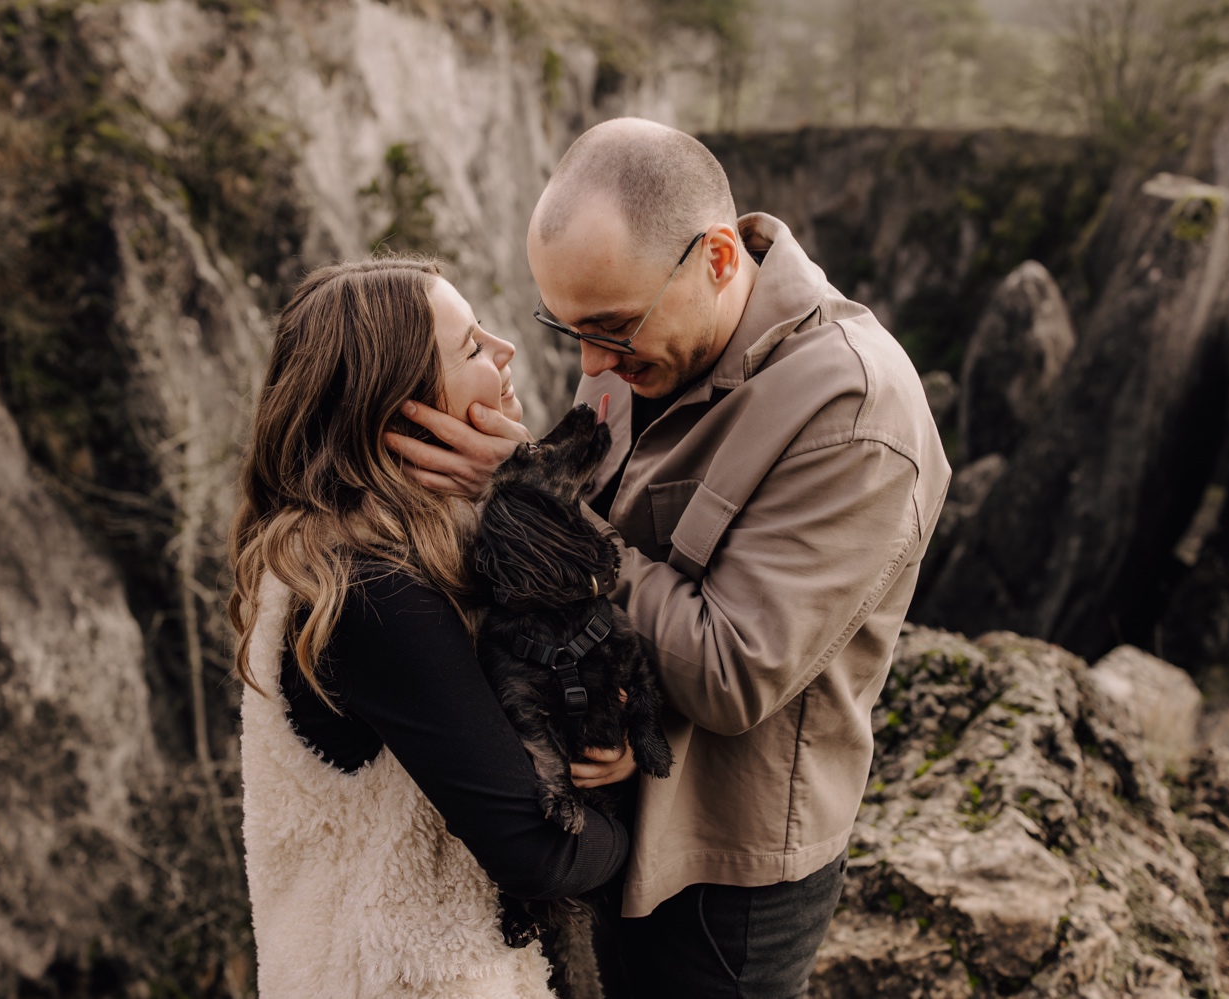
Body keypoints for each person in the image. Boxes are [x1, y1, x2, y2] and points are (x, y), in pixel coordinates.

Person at [391, 118, 952, 998]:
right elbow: (597, 544)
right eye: (568, 328)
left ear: (719, 260)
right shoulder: (635, 347)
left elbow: (732, 671)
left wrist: (533, 503)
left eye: (611, 329)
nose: (591, 363)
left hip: (726, 879)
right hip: (600, 815)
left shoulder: (857, 414)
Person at [227, 257, 633, 999]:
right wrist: (628, 827)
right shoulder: (371, 594)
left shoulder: (338, 555)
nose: (506, 349)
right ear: (399, 408)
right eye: (473, 347)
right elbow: (538, 851)